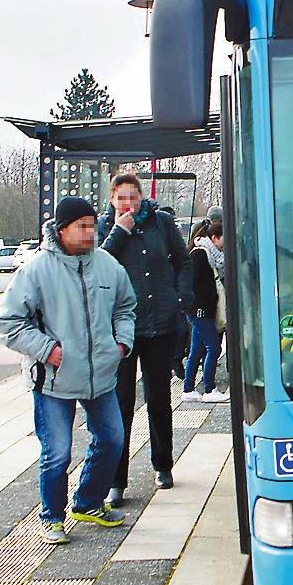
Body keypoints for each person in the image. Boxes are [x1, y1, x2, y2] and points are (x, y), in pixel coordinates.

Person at [0, 197, 135, 544]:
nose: (91, 232)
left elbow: (126, 307)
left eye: (92, 225)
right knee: (57, 452)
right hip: (53, 379)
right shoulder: (36, 270)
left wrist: (121, 342)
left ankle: (88, 502)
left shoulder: (108, 266)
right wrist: (47, 350)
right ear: (62, 230)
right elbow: (10, 323)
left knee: (113, 439)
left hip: (101, 376)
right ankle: (52, 516)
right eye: (82, 227)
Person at [98, 171, 193, 501]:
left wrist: (180, 299)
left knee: (159, 398)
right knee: (120, 403)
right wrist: (119, 231)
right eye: (121, 197)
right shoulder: (105, 227)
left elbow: (184, 262)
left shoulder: (161, 223)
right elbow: (99, 264)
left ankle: (162, 464)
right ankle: (116, 480)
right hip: (121, 328)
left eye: (133, 196)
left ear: (141, 197)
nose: (128, 203)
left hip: (161, 323)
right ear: (112, 200)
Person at [184, 209, 226, 402]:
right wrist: (209, 300)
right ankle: (209, 388)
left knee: (197, 350)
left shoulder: (206, 253)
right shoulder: (201, 254)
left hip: (199, 308)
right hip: (200, 309)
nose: (224, 246)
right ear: (214, 237)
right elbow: (196, 284)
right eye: (223, 240)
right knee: (213, 348)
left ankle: (188, 389)